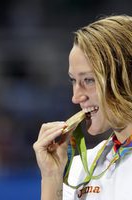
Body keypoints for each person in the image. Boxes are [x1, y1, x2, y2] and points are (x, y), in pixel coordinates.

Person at [33, 15, 132, 200]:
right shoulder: (80, 171)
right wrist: (51, 177)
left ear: (125, 77)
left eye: (89, 80)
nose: (76, 97)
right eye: (73, 80)